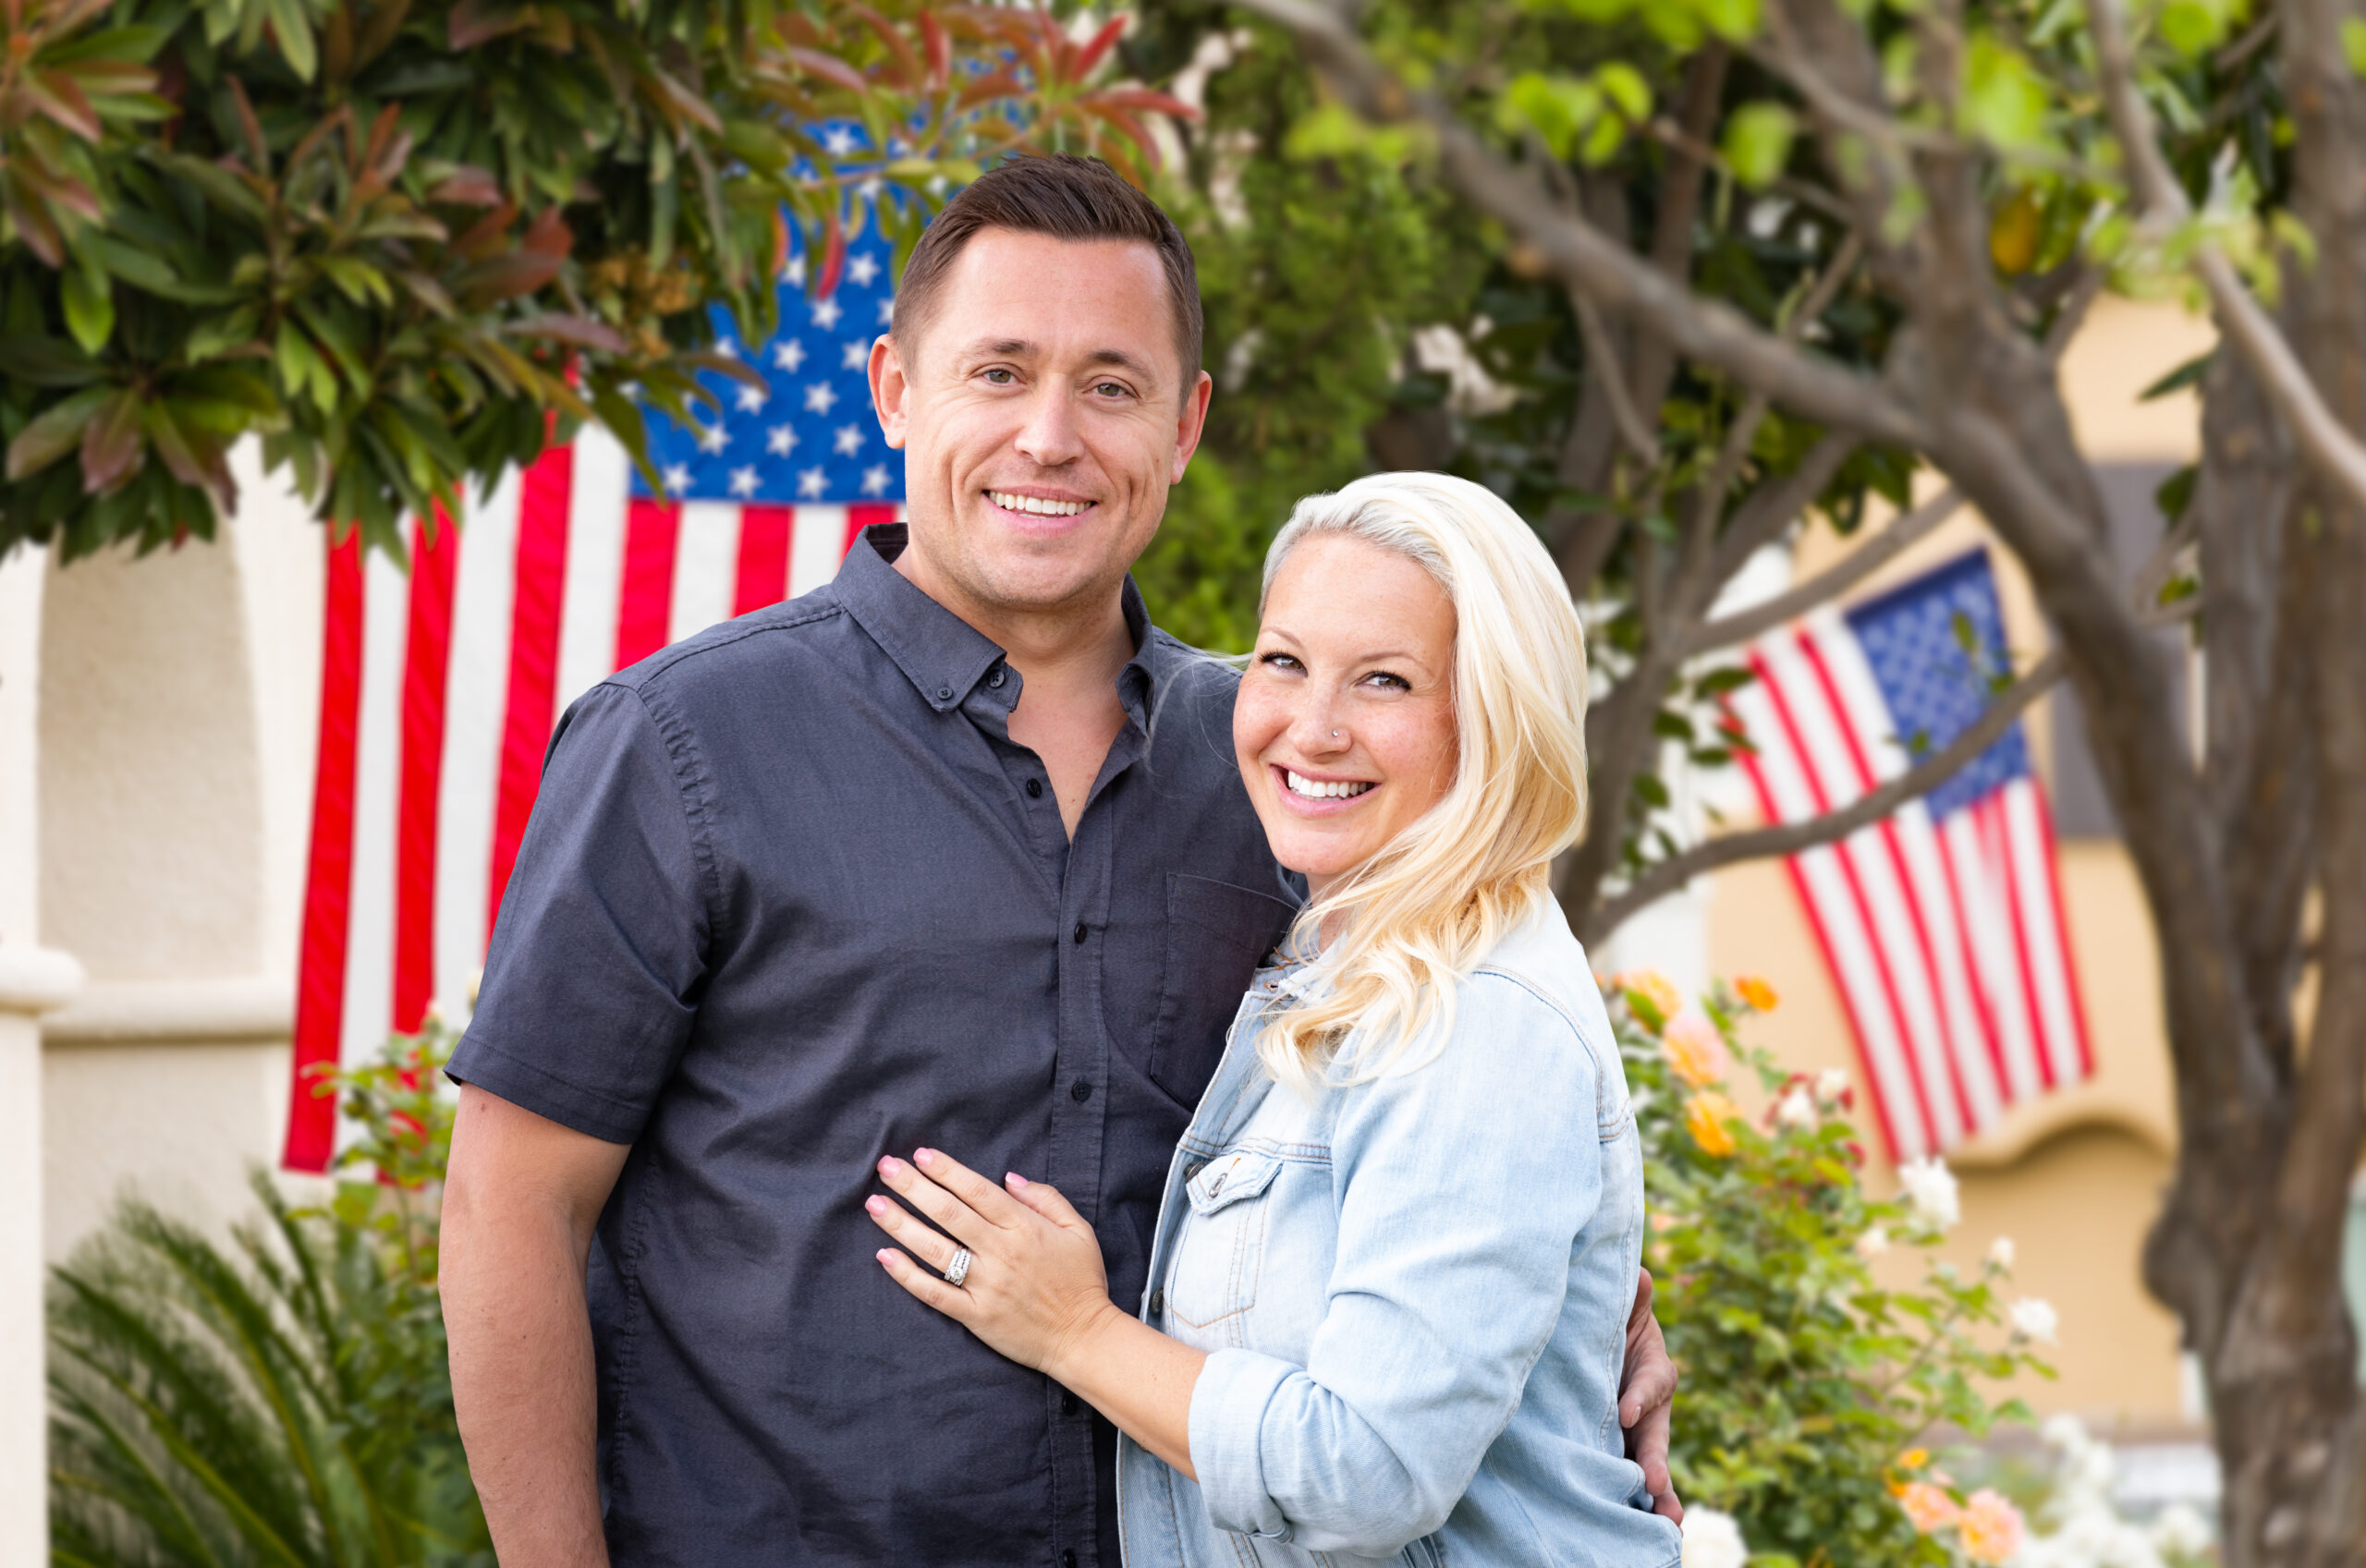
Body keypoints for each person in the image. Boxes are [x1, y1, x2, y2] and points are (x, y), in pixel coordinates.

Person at [438, 154, 1677, 1568]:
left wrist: (1583, 1303)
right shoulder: (683, 746)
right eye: (1000, 372)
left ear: (1184, 423)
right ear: (896, 390)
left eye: (1109, 385)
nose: (1049, 436)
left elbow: (1430, 1130)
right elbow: (511, 1202)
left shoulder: (1285, 773)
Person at [864, 471, 1680, 1566]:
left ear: (1495, 714)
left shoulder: (1473, 1015)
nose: (1314, 726)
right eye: (1284, 661)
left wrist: (1071, 1329)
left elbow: (1367, 1473)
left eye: (1385, 680)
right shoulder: (1336, 955)